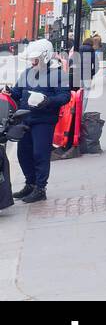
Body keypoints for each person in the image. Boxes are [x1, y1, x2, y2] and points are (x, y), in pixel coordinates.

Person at [5, 39, 72, 204]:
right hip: (25, 118)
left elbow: (65, 96)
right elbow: (17, 92)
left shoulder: (58, 74)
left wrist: (47, 101)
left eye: (35, 59)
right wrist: (9, 92)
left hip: (44, 120)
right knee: (23, 154)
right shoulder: (27, 73)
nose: (33, 62)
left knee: (40, 154)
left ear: (46, 57)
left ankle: (40, 188)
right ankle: (31, 183)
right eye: (32, 59)